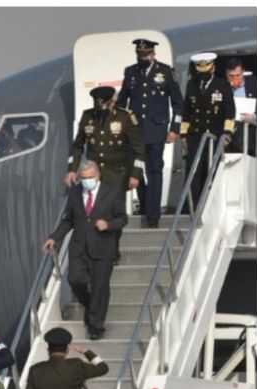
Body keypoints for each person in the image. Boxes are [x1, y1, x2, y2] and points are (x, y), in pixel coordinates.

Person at [43, 160, 127, 340]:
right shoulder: (74, 193)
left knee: (100, 287)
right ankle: (92, 306)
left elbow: (122, 219)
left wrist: (108, 224)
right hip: (79, 246)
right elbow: (68, 220)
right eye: (84, 178)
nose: (87, 181)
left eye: (90, 177)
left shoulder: (112, 193)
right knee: (74, 279)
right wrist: (54, 237)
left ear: (98, 176)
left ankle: (96, 327)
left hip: (103, 247)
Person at [67, 85, 145, 263]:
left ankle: (113, 251)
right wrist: (72, 170)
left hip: (118, 174)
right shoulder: (88, 116)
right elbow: (77, 145)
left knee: (113, 215)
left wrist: (135, 174)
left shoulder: (126, 118)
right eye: (98, 107)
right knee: (93, 213)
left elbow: (139, 149)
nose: (102, 110)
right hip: (95, 174)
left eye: (105, 106)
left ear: (112, 102)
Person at [117, 38, 184, 229]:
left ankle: (152, 215)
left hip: (156, 130)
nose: (142, 57)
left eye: (145, 54)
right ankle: (146, 206)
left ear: (153, 54)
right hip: (135, 132)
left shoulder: (164, 72)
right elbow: (122, 102)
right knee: (135, 170)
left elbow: (178, 103)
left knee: (154, 171)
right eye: (139, 54)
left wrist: (174, 129)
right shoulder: (131, 73)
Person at [180, 52, 236, 212]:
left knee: (210, 171)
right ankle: (191, 207)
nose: (203, 75)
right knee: (193, 171)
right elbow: (186, 112)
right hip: (195, 135)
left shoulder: (222, 85)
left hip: (214, 136)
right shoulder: (192, 85)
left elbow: (229, 112)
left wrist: (227, 133)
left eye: (206, 71)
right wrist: (183, 134)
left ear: (213, 68)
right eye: (200, 72)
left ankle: (208, 207)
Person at [224, 58, 256, 156]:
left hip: (248, 132)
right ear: (226, 74)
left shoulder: (255, 83)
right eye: (231, 76)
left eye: (238, 75)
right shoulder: (222, 87)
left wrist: (254, 116)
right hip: (229, 132)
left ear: (243, 72)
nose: (235, 78)